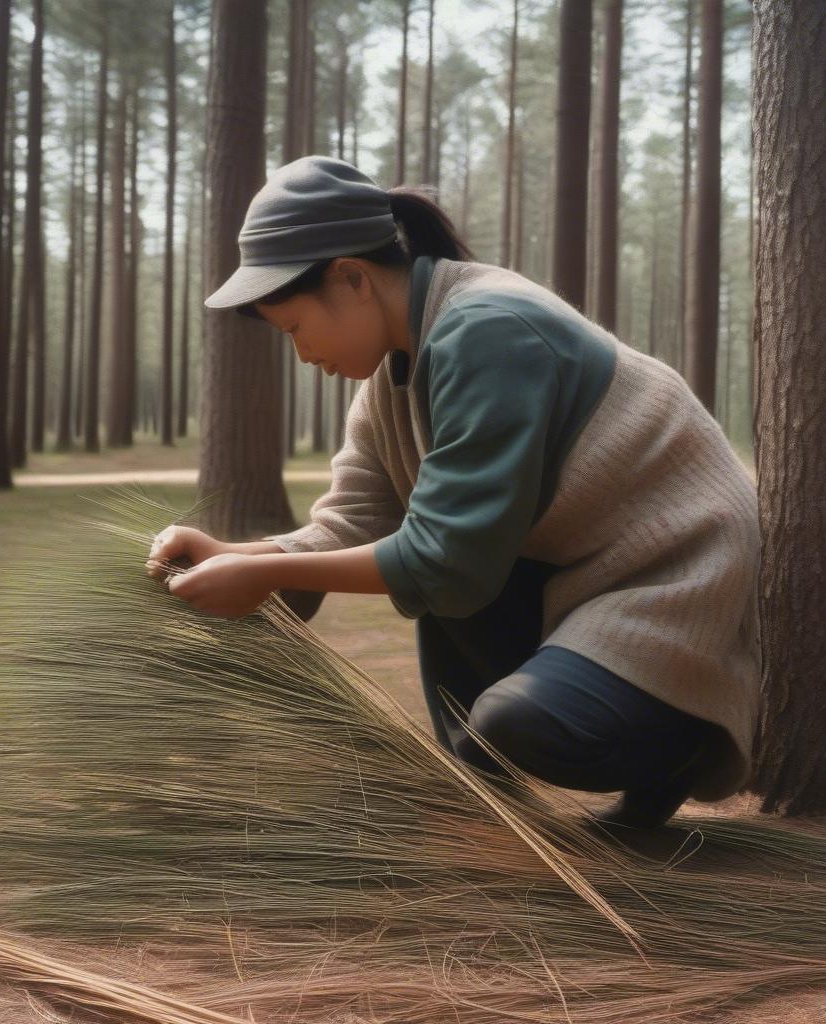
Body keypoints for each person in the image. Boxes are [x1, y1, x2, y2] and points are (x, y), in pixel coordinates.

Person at [146, 154, 762, 833]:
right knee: (443, 605)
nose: (303, 356)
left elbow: (446, 558)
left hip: (673, 579)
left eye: (295, 328)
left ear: (350, 278)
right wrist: (236, 555)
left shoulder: (486, 329)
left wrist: (267, 571)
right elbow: (354, 520)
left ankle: (678, 749)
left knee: (510, 718)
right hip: (578, 576)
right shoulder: (392, 377)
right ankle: (489, 815)